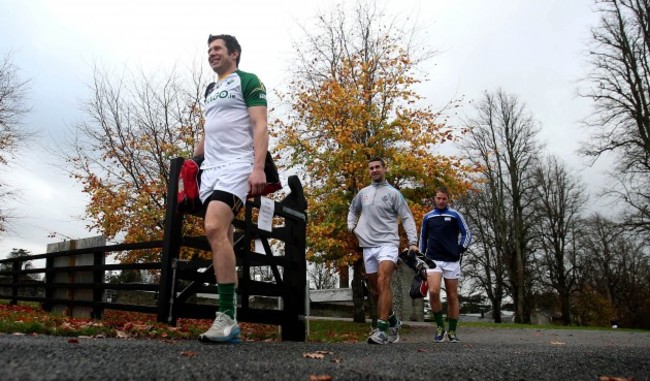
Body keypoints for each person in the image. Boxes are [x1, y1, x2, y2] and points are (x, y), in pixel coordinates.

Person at [194, 34, 269, 343]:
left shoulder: (248, 80)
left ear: (234, 54)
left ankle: (226, 318)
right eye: (209, 49)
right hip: (210, 169)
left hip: (238, 164)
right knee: (221, 234)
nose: (212, 53)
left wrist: (258, 167)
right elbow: (207, 130)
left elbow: (260, 125)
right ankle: (231, 323)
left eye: (218, 49)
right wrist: (192, 160)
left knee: (213, 226)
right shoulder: (210, 89)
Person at [347, 157, 419, 344]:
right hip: (368, 246)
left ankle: (382, 330)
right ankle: (394, 321)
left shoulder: (394, 194)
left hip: (388, 244)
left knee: (383, 279)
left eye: (378, 167)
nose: (374, 170)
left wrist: (413, 241)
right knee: (376, 290)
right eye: (371, 168)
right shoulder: (363, 193)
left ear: (384, 169)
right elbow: (353, 210)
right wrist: (351, 226)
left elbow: (407, 217)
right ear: (369, 171)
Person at [419, 186, 471, 343]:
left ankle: (453, 331)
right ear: (434, 199)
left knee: (452, 296)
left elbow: (467, 233)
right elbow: (422, 238)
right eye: (439, 198)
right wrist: (422, 258)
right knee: (433, 292)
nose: (441, 201)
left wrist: (460, 249)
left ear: (448, 200)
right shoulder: (427, 217)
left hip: (452, 261)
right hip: (433, 260)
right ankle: (440, 327)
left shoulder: (455, 215)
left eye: (444, 198)